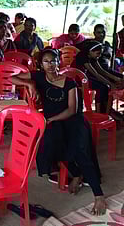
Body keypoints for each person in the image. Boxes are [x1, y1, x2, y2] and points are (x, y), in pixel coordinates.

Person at [11, 49, 106, 216]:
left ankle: (99, 197)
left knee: (80, 153)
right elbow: (13, 77)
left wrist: (51, 120)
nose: (50, 65)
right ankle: (76, 175)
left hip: (72, 122)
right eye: (46, 62)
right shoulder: (38, 76)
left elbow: (72, 110)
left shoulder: (69, 83)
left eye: (53, 61)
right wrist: (29, 84)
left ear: (58, 63)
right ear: (41, 64)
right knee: (54, 145)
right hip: (53, 123)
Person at [73, 40, 124, 117]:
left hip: (85, 76)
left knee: (106, 87)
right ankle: (98, 111)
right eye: (98, 53)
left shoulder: (92, 56)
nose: (99, 56)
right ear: (90, 51)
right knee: (101, 87)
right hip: (77, 78)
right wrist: (111, 83)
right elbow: (96, 74)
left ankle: (107, 109)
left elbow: (101, 71)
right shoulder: (83, 57)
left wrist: (115, 79)